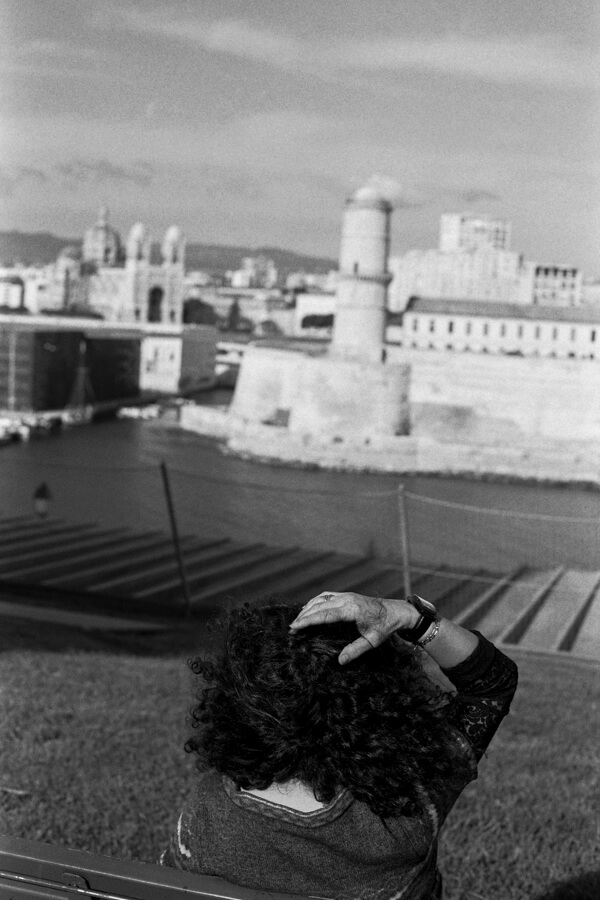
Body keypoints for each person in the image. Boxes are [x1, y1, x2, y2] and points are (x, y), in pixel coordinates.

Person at [161, 591, 519, 900]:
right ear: (377, 704)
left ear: (237, 713)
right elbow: (491, 684)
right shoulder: (410, 811)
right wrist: (412, 618)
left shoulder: (204, 818)